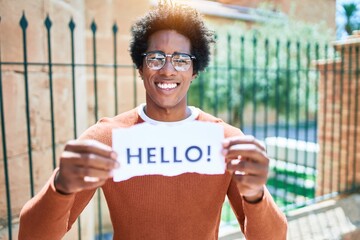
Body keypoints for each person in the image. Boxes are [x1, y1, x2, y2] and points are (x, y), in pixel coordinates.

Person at [19, 1, 287, 239]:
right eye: (156, 58)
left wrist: (256, 195)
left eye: (181, 60)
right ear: (140, 67)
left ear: (195, 70)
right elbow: (31, 236)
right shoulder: (105, 139)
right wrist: (60, 187)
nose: (168, 70)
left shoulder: (227, 141)